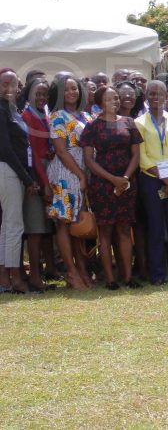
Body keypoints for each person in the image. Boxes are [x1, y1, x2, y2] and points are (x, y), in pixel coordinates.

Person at [81, 86, 143, 290]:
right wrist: (112, 179)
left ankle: (127, 276)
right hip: (102, 184)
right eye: (109, 99)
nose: (115, 102)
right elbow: (89, 160)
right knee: (105, 231)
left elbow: (136, 154)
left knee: (124, 229)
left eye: (116, 98)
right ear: (100, 103)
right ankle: (110, 278)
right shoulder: (92, 126)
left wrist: (124, 178)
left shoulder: (129, 122)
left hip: (126, 183)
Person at [135, 80, 168, 285]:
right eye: (151, 93)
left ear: (166, 96)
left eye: (159, 93)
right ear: (146, 96)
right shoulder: (139, 122)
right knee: (155, 228)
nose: (155, 97)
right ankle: (158, 274)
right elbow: (142, 157)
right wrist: (164, 178)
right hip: (151, 180)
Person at [45, 73, 94, 289]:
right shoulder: (58, 116)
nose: (71, 92)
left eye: (74, 88)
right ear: (58, 93)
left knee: (78, 222)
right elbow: (61, 150)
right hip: (66, 172)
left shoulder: (86, 115)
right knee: (65, 222)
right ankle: (71, 272)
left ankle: (82, 269)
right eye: (66, 89)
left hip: (84, 168)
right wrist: (80, 175)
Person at [0, 69, 39, 294]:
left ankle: (5, 277)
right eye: (4, 84)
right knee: (14, 226)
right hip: (8, 170)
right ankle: (15, 278)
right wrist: (27, 179)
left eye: (12, 84)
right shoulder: (1, 110)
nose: (8, 88)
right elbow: (5, 149)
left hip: (15, 171)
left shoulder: (12, 109)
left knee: (8, 225)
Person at [18, 77, 55, 292]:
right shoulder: (27, 116)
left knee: (44, 227)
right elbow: (32, 152)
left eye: (44, 94)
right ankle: (34, 276)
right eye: (37, 94)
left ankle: (43, 272)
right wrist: (44, 183)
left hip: (46, 168)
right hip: (36, 173)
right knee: (35, 229)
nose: (41, 97)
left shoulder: (43, 115)